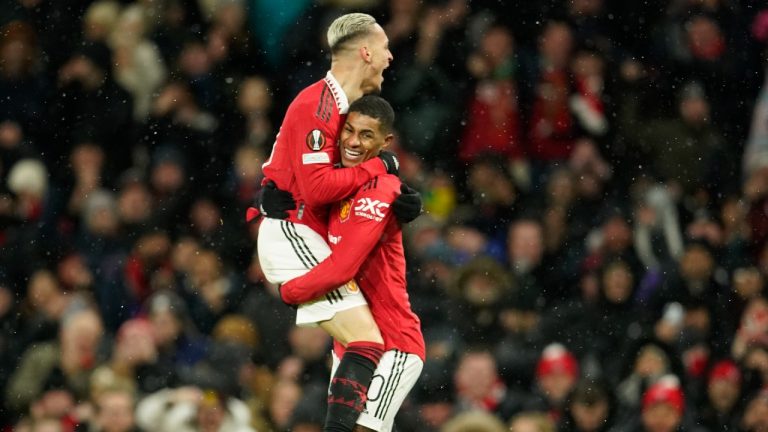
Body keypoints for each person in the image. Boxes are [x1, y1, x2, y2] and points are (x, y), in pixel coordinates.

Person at [251, 12, 421, 432]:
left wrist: (396, 193)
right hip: (293, 232)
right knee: (367, 341)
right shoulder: (319, 104)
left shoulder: (341, 112)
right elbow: (319, 189)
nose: (389, 56)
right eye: (383, 47)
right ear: (365, 51)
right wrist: (381, 168)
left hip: (305, 232)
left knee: (359, 348)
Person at [278, 95, 425, 432]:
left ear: (385, 142)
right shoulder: (332, 183)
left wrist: (291, 292)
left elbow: (343, 267)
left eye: (367, 135)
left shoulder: (379, 190)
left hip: (393, 343)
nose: (354, 142)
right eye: (350, 131)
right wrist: (268, 199)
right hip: (349, 342)